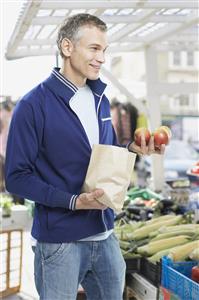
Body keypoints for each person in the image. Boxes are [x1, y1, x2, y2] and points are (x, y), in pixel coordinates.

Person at [5, 14, 165, 300]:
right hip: (59, 242)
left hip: (105, 235)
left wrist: (133, 150)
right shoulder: (32, 105)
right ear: (67, 47)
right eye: (94, 49)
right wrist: (73, 201)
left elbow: (107, 156)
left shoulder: (99, 98)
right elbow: (17, 179)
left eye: (104, 50)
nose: (101, 58)